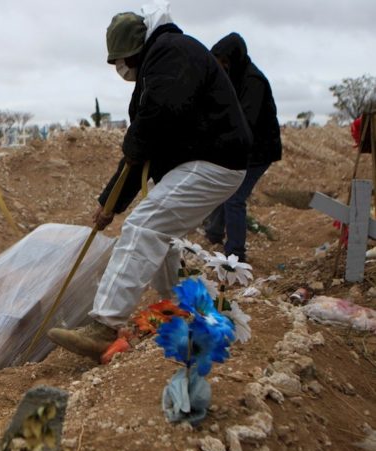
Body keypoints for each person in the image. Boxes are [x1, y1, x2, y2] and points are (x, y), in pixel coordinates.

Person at [47, 2, 252, 360]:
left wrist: (132, 149)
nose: (119, 68)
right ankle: (180, 304)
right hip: (206, 160)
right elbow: (142, 152)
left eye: (121, 60)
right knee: (160, 232)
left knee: (144, 226)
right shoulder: (161, 63)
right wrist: (109, 203)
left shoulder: (172, 53)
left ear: (135, 49)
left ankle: (103, 327)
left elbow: (154, 123)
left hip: (214, 161)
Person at [203, 33, 282, 262]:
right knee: (224, 187)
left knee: (235, 198)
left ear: (233, 60)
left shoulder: (253, 81)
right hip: (242, 148)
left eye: (223, 62)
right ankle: (214, 233)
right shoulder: (232, 77)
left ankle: (235, 254)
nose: (220, 67)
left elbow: (246, 122)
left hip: (259, 151)